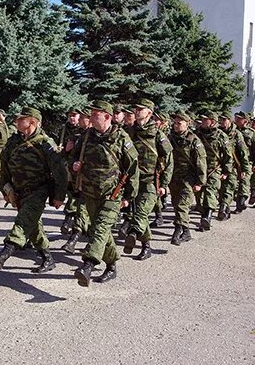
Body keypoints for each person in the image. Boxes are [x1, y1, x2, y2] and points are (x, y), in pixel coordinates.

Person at [0, 107, 67, 273]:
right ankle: (48, 258)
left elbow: (60, 171)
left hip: (39, 190)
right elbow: (4, 167)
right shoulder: (14, 141)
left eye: (21, 119)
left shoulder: (45, 143)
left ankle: (5, 252)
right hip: (19, 191)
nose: (16, 121)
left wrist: (59, 196)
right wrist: (6, 189)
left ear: (32, 121)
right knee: (33, 225)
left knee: (24, 221)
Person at [70, 100, 139, 286]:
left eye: (95, 115)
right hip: (90, 193)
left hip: (113, 195)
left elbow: (132, 169)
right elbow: (74, 156)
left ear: (107, 117)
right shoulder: (86, 136)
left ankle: (88, 265)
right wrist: (75, 165)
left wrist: (128, 196)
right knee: (100, 231)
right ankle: (112, 265)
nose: (90, 118)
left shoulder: (122, 138)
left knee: (100, 229)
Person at [124, 99, 173, 260]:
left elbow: (169, 160)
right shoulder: (129, 132)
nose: (137, 111)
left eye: (141, 109)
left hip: (152, 181)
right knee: (138, 214)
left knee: (141, 212)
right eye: (136, 108)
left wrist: (165, 184)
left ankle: (132, 232)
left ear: (149, 113)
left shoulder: (158, 134)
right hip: (132, 181)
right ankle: (146, 246)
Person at [168, 112, 207, 245]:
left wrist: (200, 182)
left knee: (182, 205)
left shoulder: (194, 141)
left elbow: (200, 162)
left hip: (188, 179)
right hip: (173, 178)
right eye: (175, 123)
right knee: (175, 204)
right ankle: (186, 231)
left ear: (187, 124)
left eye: (179, 123)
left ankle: (177, 231)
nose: (176, 125)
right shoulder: (169, 138)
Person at [194, 110, 232, 231]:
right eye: (203, 120)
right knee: (199, 194)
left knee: (210, 192)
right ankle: (204, 213)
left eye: (206, 120)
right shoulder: (197, 134)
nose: (203, 122)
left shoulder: (221, 136)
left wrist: (226, 171)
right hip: (199, 169)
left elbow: (228, 155)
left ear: (213, 122)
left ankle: (207, 218)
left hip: (214, 169)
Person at [57, 108, 81, 236]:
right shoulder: (64, 129)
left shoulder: (84, 130)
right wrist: (65, 150)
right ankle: (71, 220)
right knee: (71, 192)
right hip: (66, 165)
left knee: (75, 194)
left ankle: (71, 220)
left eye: (74, 115)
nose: (72, 118)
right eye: (70, 115)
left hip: (78, 167)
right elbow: (59, 149)